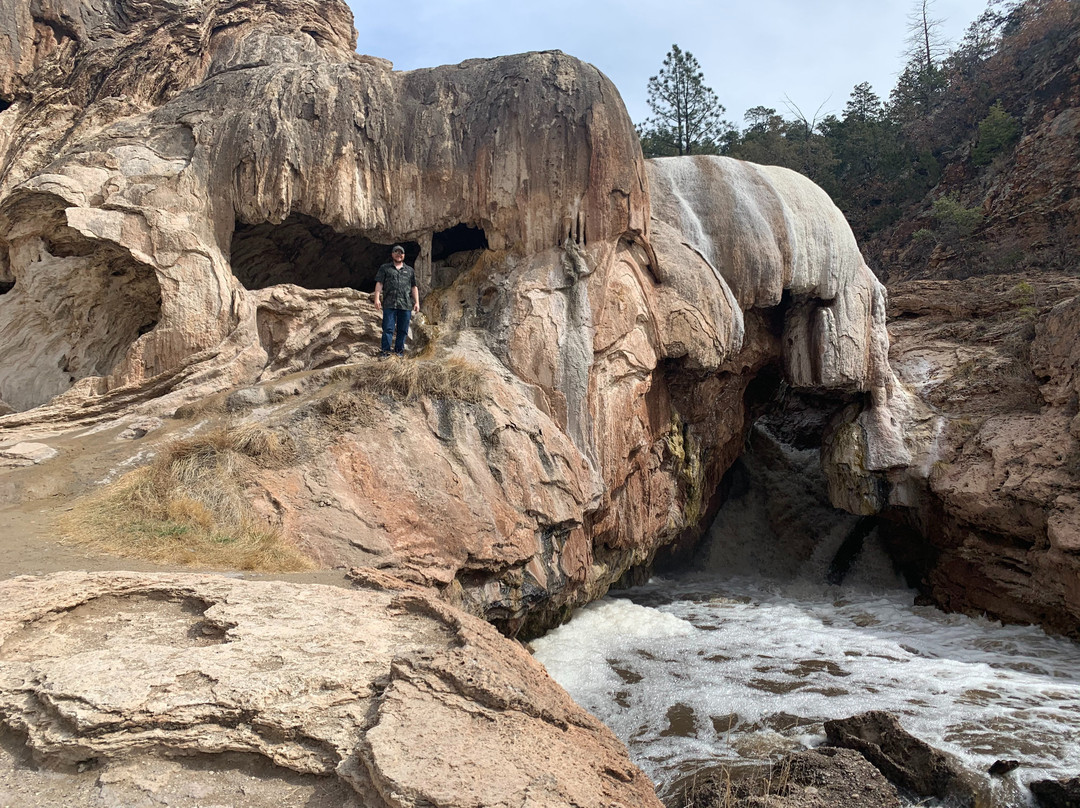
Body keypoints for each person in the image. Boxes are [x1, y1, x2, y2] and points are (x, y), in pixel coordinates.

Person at [373, 245, 420, 359]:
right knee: (388, 328)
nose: (399, 255)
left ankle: (399, 352)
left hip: (405, 304)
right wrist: (377, 298)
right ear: (392, 254)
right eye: (396, 252)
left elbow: (414, 287)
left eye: (401, 253)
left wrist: (417, 302)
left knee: (403, 330)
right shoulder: (385, 268)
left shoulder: (409, 270)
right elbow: (379, 283)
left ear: (403, 255)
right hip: (389, 303)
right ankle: (385, 352)